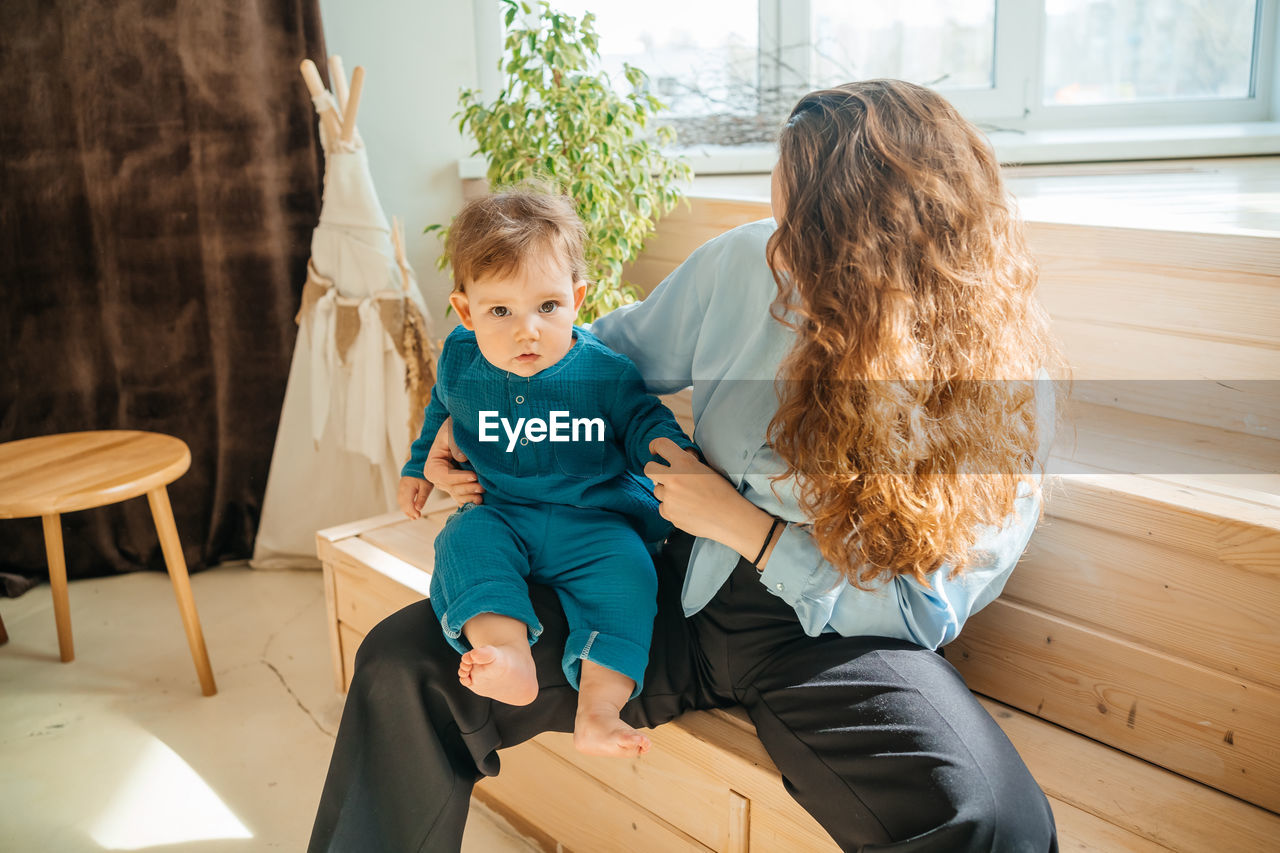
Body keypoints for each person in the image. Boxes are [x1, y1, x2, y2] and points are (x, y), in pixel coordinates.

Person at [310, 80, 1062, 852]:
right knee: (404, 663)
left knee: (999, 819)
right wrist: (479, 419)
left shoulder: (999, 391)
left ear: (881, 236)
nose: (779, 247)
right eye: (782, 213)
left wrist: (753, 531)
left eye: (804, 226)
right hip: (670, 586)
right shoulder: (745, 262)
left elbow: (920, 613)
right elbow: (587, 351)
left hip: (831, 639)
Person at [396, 190, 697, 758]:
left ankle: (600, 712)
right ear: (466, 312)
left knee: (631, 580)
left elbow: (641, 420)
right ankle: (508, 654)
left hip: (598, 525)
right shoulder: (460, 357)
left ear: (577, 300)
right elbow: (444, 405)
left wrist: (671, 453)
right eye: (500, 311)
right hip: (503, 514)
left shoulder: (603, 372)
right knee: (461, 540)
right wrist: (419, 465)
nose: (526, 331)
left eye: (548, 307)